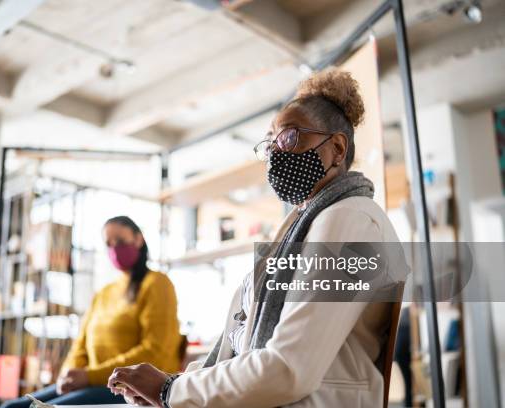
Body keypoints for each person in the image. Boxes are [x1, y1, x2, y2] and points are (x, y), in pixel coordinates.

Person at [107, 69, 406, 407]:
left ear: (337, 148)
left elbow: (289, 368)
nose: (275, 153)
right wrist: (173, 386)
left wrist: (169, 391)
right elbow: (240, 346)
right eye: (269, 143)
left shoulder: (349, 220)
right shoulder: (302, 227)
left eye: (289, 138)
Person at [1, 216, 181, 407]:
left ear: (138, 239)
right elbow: (81, 345)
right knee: (10, 406)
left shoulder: (157, 284)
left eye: (119, 241)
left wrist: (90, 376)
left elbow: (155, 352)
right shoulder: (104, 293)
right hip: (93, 381)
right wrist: (68, 373)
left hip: (128, 388)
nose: (114, 249)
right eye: (108, 244)